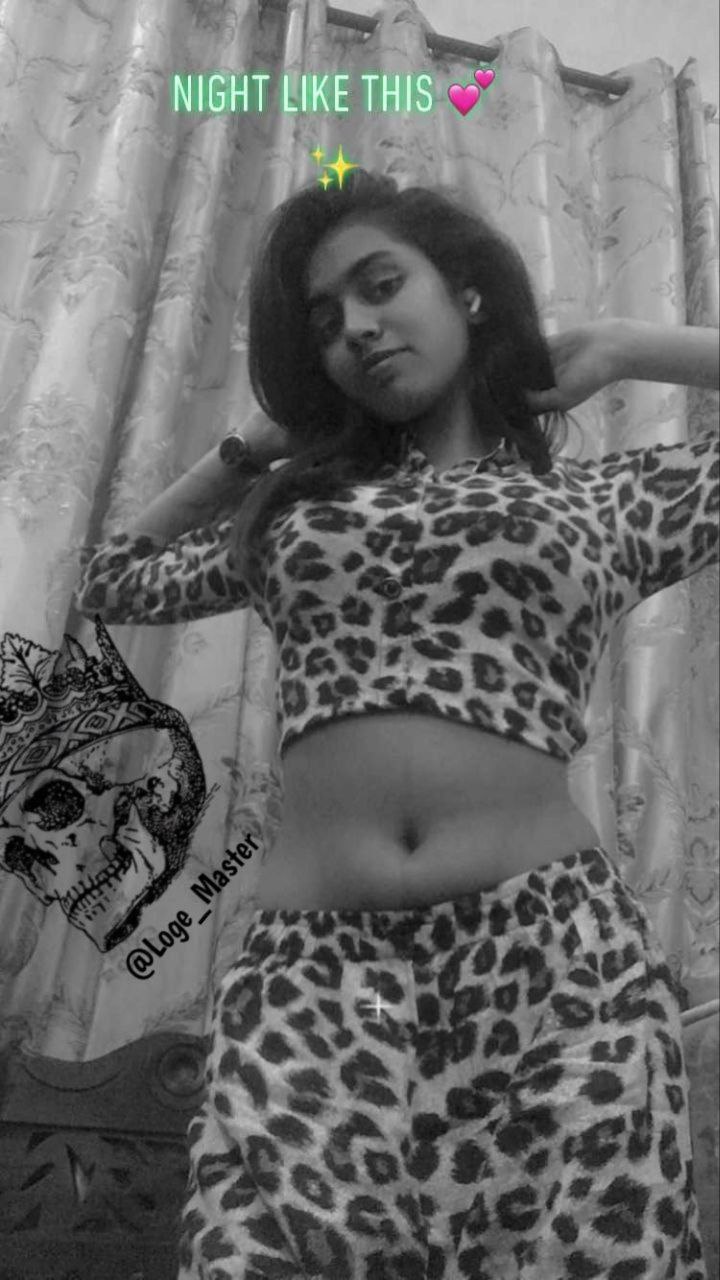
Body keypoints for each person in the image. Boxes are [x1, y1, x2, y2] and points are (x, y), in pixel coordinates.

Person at [74, 170, 718, 1279]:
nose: (356, 330)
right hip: (311, 980)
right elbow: (113, 577)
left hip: (559, 976)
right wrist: (250, 450)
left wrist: (621, 344)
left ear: (466, 292)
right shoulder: (292, 517)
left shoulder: (598, 502)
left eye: (381, 287)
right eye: (325, 323)